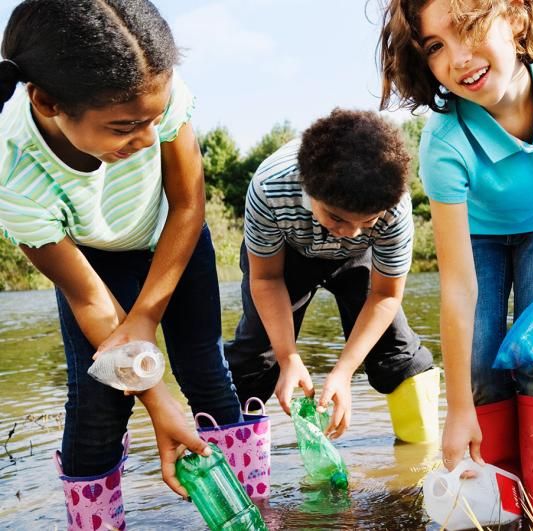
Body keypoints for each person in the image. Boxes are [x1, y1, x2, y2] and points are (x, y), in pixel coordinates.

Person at [378, 0, 533, 519]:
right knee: (484, 364)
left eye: (468, 30)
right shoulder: (445, 142)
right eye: (436, 47)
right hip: (481, 236)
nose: (458, 58)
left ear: (515, 18)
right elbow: (458, 288)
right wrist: (457, 410)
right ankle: (500, 506)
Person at [0, 0, 244, 528]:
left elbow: (188, 203)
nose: (147, 138)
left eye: (155, 120)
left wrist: (146, 319)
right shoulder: (13, 172)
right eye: (125, 127)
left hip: (173, 235)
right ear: (46, 103)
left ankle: (252, 504)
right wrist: (158, 403)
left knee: (205, 369)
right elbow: (89, 298)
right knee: (96, 403)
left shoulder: (158, 94)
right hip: (92, 262)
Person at [224, 108, 440, 445]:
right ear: (310, 191)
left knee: (396, 349)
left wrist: (343, 371)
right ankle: (231, 454)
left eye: (366, 221)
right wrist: (288, 357)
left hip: (361, 262)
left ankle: (420, 458)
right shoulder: (271, 187)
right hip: (287, 255)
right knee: (256, 354)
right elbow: (266, 279)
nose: (349, 234)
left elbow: (385, 295)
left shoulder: (393, 204)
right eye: (337, 218)